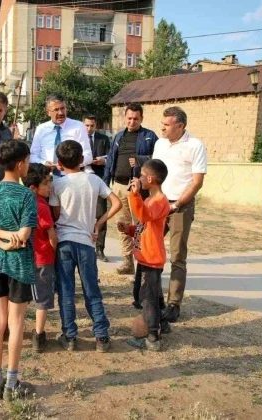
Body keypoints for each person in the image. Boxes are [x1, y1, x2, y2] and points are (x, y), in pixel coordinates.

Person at [0, 140, 37, 401]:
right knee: (16, 322)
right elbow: (23, 235)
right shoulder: (26, 196)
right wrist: (10, 241)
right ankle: (12, 381)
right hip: (19, 265)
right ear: (21, 163)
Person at [50, 140, 122, 353]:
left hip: (63, 242)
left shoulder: (57, 184)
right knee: (92, 290)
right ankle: (101, 336)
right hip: (86, 243)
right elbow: (117, 203)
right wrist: (98, 223)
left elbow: (55, 214)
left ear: (59, 163)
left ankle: (70, 336)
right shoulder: (94, 180)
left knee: (66, 290)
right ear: (82, 160)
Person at [152, 107, 207, 323]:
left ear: (180, 126)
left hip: (179, 207)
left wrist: (176, 205)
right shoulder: (159, 143)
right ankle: (152, 297)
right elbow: (153, 174)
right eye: (162, 123)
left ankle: (173, 304)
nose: (162, 128)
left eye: (167, 125)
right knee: (151, 252)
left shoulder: (195, 146)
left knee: (176, 256)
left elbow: (197, 181)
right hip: (158, 205)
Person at [119, 159, 171, 351]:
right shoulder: (150, 200)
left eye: (141, 174)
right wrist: (130, 230)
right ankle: (163, 325)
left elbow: (145, 216)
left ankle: (152, 338)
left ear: (149, 178)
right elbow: (144, 226)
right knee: (154, 295)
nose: (138, 178)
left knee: (147, 298)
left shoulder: (159, 201)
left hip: (151, 258)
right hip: (145, 256)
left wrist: (134, 195)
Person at [103, 103, 159, 275]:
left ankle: (143, 260)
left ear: (141, 119)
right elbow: (111, 160)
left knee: (141, 225)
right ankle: (127, 262)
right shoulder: (119, 136)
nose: (132, 121)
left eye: (136, 118)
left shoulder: (150, 136)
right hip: (119, 186)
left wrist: (141, 160)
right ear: (124, 118)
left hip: (138, 188)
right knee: (123, 225)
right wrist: (106, 184)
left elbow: (158, 160)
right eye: (129, 118)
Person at [23, 163, 57, 353]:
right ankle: (39, 334)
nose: (49, 187)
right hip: (43, 258)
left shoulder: (24, 202)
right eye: (46, 183)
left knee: (22, 298)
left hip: (26, 258)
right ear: (33, 188)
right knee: (43, 300)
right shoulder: (42, 206)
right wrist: (55, 252)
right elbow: (52, 236)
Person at [30, 94, 92, 177]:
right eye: (56, 109)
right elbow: (32, 156)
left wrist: (68, 165)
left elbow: (88, 156)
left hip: (71, 177)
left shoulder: (78, 127)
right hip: (46, 178)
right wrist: (44, 163)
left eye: (63, 108)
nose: (61, 112)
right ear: (48, 112)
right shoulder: (41, 129)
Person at [83, 115, 112, 262]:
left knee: (101, 215)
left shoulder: (103, 139)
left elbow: (111, 157)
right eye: (87, 125)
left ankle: (100, 249)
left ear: (96, 125)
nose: (89, 129)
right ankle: (84, 247)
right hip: (82, 182)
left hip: (99, 181)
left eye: (92, 126)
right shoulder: (78, 139)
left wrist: (103, 160)